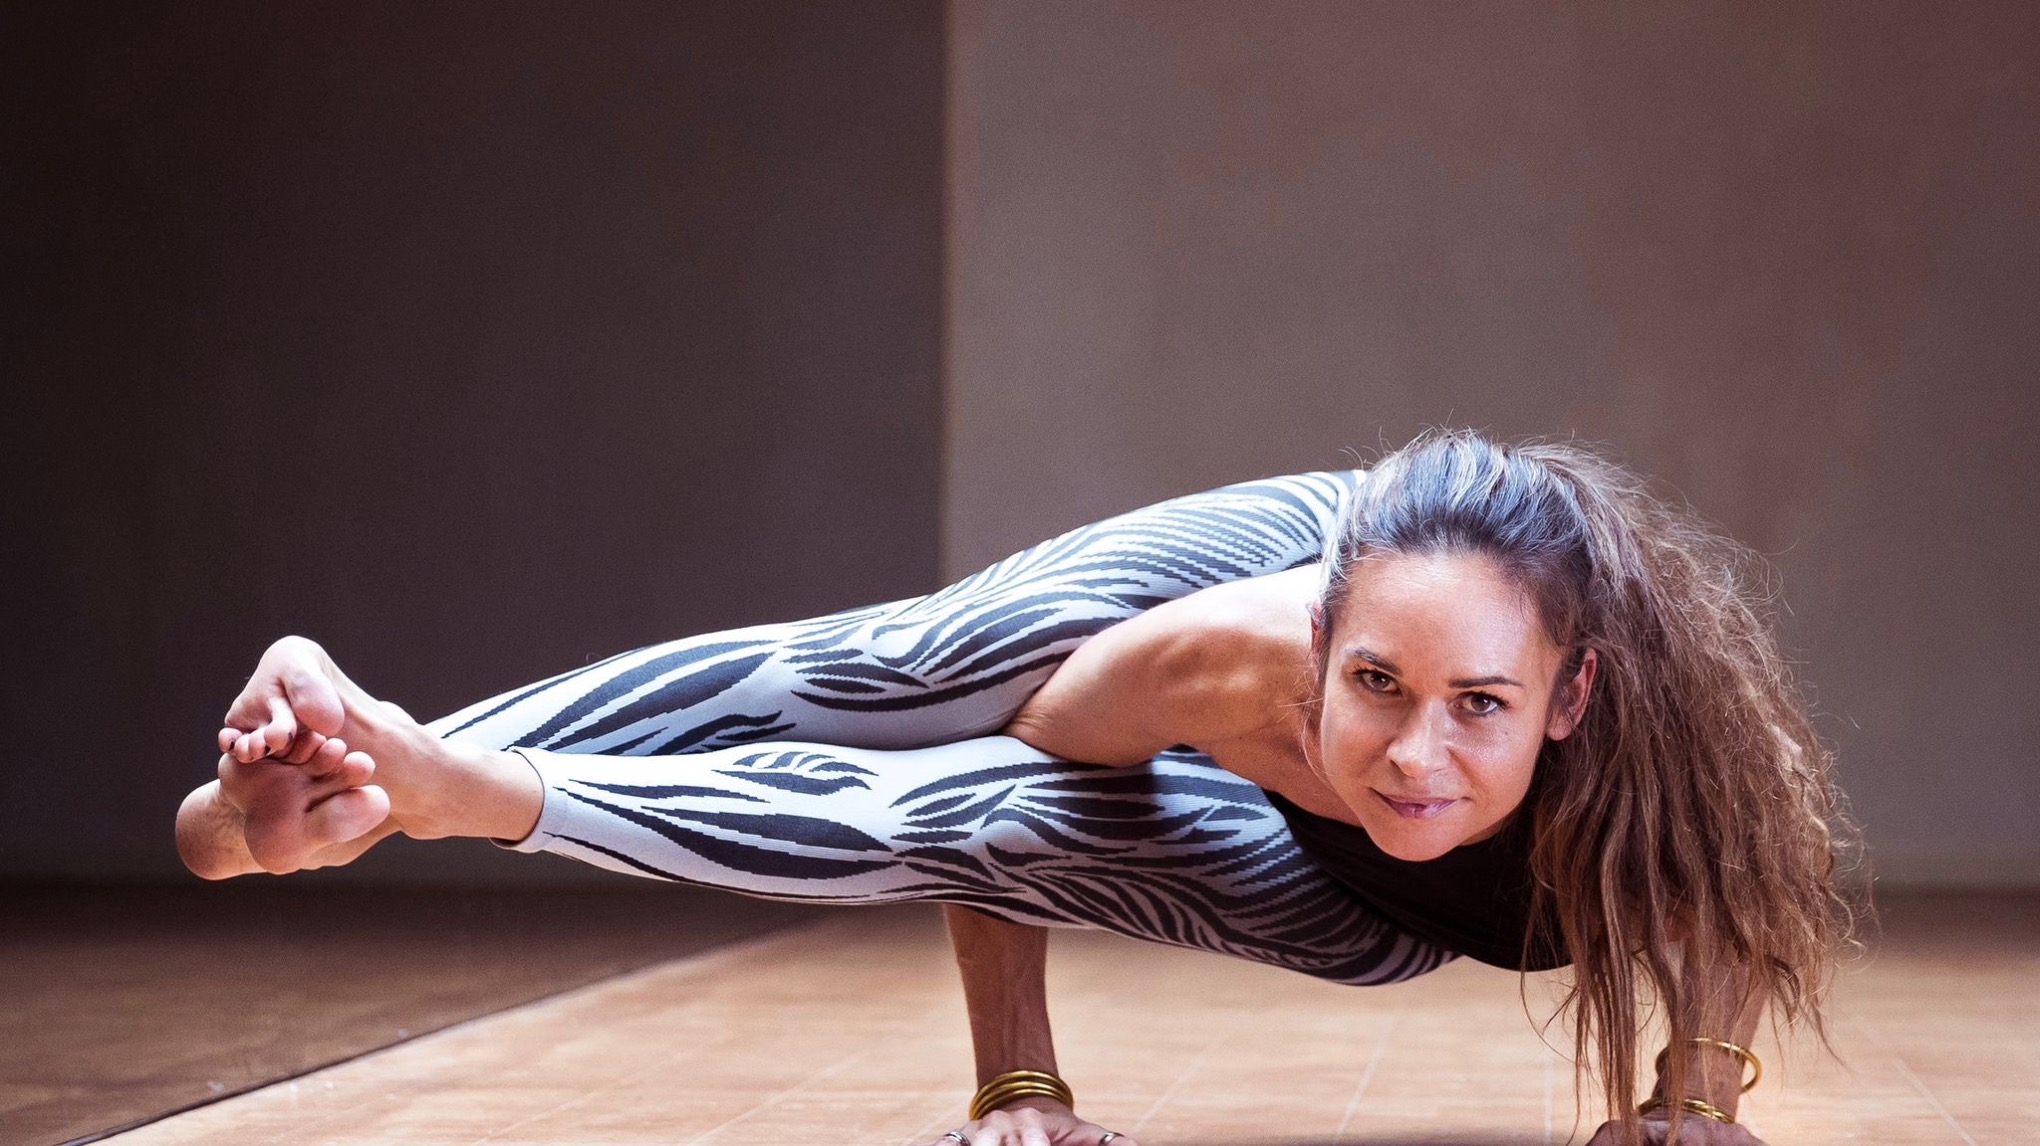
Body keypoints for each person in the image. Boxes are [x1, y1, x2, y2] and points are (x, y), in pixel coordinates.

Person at [176, 432, 1853, 1146]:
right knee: (903, 685)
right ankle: (378, 771)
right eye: (1378, 689)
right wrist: (1016, 1077)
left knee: (966, 769)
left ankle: (421, 781)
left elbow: (1729, 906)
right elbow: (992, 806)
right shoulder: (1238, 655)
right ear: (1323, 647)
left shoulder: (1677, 750)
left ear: (1571, 699)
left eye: (1480, 710)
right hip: (1247, 612)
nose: (1418, 754)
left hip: (1375, 908)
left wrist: (1695, 1087)